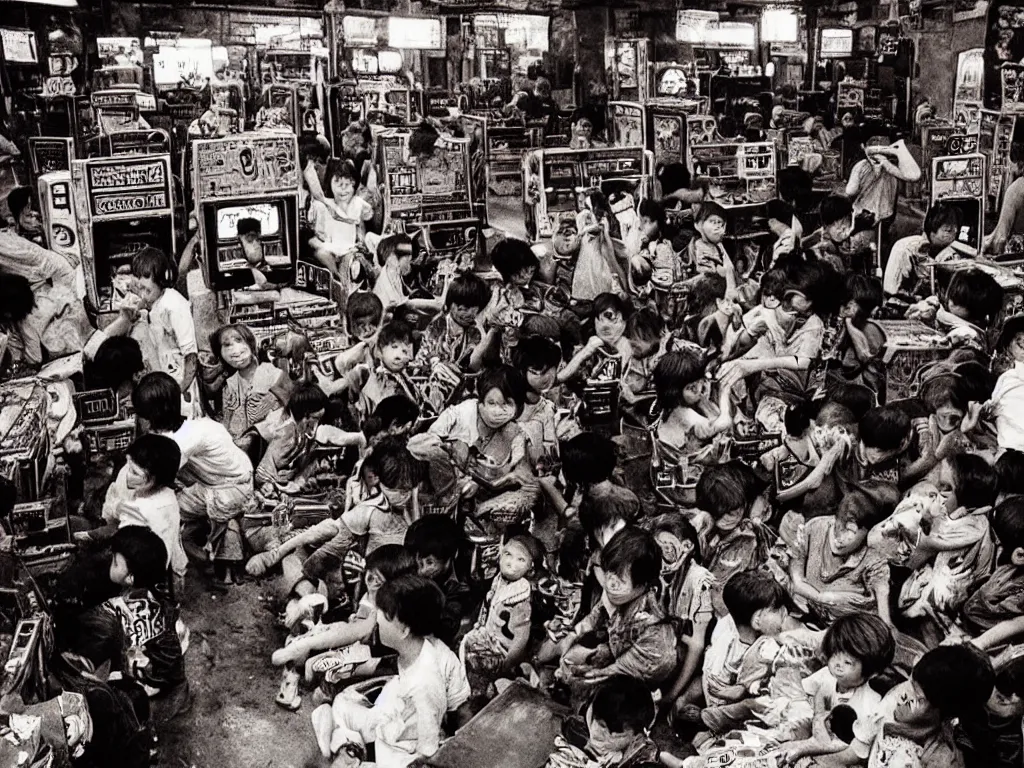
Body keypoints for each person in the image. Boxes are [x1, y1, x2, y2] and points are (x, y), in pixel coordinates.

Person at [310, 574, 470, 768]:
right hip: (392, 720)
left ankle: (352, 752)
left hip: (404, 748)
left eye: (384, 616)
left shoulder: (425, 682)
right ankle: (352, 748)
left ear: (404, 631)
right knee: (342, 705)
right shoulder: (412, 650)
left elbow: (427, 748)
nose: (376, 618)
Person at [778, 612, 896, 764]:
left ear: (872, 673)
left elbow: (848, 745)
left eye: (847, 662)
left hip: (834, 753)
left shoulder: (869, 703)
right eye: (834, 655)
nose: (837, 665)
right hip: (814, 733)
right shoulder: (826, 675)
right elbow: (802, 693)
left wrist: (805, 747)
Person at [461, 534, 544, 695]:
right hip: (487, 639)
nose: (511, 563)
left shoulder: (520, 596)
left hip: (503, 651)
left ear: (530, 567)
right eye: (508, 555)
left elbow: (521, 638)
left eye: (521, 560)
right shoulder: (498, 580)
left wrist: (508, 664)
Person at [883, 202, 962, 299]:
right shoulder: (907, 248)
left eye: (955, 231)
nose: (952, 237)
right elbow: (891, 290)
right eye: (948, 231)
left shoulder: (948, 253)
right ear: (932, 230)